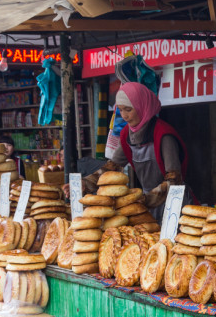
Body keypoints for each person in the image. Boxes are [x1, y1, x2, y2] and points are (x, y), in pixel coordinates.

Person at [79, 82, 191, 220]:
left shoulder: (163, 134)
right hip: (146, 204)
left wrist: (146, 200)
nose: (124, 116)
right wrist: (85, 183)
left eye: (128, 109)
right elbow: (112, 168)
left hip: (173, 203)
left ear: (142, 106)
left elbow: (174, 180)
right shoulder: (127, 134)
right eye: (121, 110)